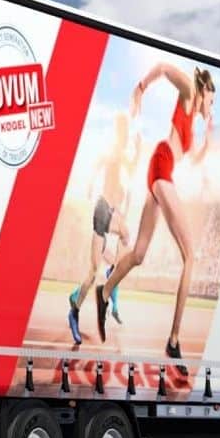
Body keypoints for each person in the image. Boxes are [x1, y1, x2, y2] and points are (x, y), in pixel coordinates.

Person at [95, 63, 216, 369]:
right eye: (212, 101)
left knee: (138, 254)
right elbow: (163, 68)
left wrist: (207, 141)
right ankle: (174, 340)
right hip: (161, 168)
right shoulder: (189, 93)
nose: (211, 108)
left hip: (162, 172)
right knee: (191, 256)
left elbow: (194, 159)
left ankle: (104, 292)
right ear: (204, 91)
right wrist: (141, 87)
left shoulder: (193, 124)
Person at [67, 113, 140, 344]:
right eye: (123, 130)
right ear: (119, 131)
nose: (126, 135)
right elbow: (104, 163)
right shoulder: (115, 150)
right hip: (102, 210)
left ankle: (91, 287)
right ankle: (75, 311)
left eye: (126, 131)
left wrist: (137, 152)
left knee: (101, 262)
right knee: (94, 269)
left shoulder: (118, 152)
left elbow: (125, 167)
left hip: (108, 210)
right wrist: (91, 182)